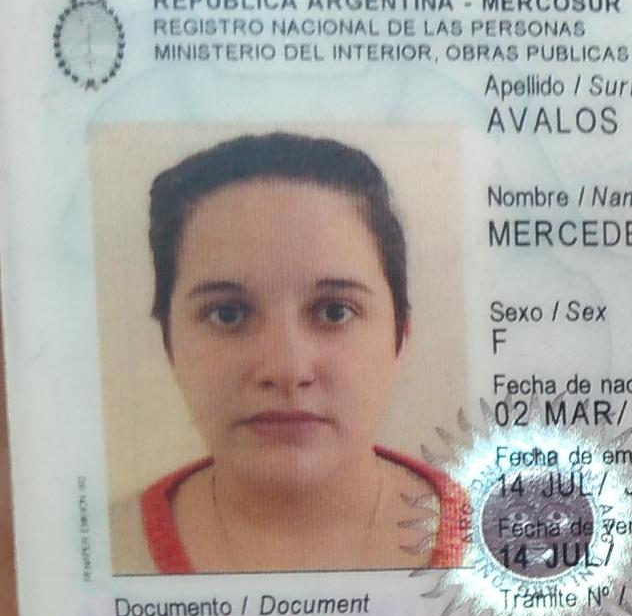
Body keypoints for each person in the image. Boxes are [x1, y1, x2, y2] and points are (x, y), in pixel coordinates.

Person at [109, 132, 468, 574]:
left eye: (334, 311)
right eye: (227, 314)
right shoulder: (88, 557)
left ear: (401, 337)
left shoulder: (512, 549)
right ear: (170, 343)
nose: (286, 369)